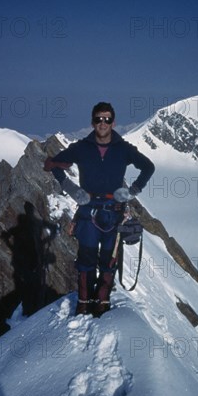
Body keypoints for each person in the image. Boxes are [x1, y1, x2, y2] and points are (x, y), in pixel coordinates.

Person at [44, 102, 155, 316]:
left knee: (108, 260)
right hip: (88, 212)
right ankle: (84, 303)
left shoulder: (123, 149)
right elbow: (51, 164)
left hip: (114, 213)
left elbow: (148, 167)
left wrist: (132, 191)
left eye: (106, 119)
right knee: (86, 259)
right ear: (92, 122)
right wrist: (71, 188)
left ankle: (101, 301)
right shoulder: (81, 148)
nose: (102, 123)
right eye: (98, 119)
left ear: (113, 123)